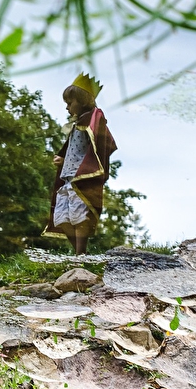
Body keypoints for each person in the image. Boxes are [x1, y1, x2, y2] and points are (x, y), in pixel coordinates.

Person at [42, 73, 117, 255]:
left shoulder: (94, 120)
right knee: (62, 218)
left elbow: (102, 143)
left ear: (83, 101)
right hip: (67, 179)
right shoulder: (77, 125)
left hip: (81, 179)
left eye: (70, 103)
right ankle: (79, 252)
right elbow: (73, 150)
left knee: (80, 216)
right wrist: (63, 160)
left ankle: (80, 254)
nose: (67, 107)